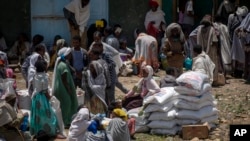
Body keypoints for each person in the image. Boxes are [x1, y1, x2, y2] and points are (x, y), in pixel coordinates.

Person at [30, 59, 66, 139]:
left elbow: (34, 87)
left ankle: (38, 132)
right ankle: (52, 133)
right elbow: (45, 91)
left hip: (36, 98)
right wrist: (51, 98)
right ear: (44, 67)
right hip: (43, 98)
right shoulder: (44, 76)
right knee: (49, 116)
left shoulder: (35, 75)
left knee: (38, 116)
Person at [52, 47, 78, 126]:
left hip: (60, 87)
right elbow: (64, 79)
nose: (71, 55)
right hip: (63, 88)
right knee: (67, 103)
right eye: (70, 53)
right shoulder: (63, 65)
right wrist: (69, 89)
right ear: (67, 54)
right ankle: (65, 121)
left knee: (63, 104)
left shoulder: (62, 63)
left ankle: (63, 120)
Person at [197, 15, 222, 85]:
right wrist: (217, 49)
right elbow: (214, 41)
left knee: (203, 65)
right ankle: (213, 80)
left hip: (202, 50)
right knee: (212, 65)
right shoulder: (211, 29)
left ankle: (204, 80)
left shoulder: (199, 29)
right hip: (211, 50)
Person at [231, 13, 250, 81]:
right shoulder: (243, 26)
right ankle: (246, 75)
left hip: (247, 43)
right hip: (247, 43)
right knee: (247, 58)